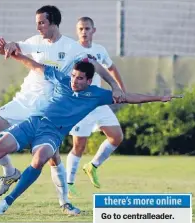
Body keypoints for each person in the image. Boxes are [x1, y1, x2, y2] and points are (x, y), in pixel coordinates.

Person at [0, 41, 180, 215]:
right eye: (73, 76)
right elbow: (35, 65)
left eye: (80, 78)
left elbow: (131, 97)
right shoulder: (61, 79)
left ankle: (6, 203)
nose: (74, 80)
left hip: (52, 133)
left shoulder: (96, 95)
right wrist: (16, 54)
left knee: (40, 159)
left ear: (88, 81)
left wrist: (159, 98)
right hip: (33, 122)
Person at [0, 5, 124, 215]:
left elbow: (100, 66)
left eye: (41, 23)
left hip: (52, 108)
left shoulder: (73, 48)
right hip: (26, 102)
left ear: (53, 22)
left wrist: (116, 87)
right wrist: (9, 45)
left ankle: (65, 202)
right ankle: (10, 171)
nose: (38, 27)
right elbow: (18, 46)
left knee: (53, 157)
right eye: (36, 23)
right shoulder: (35, 41)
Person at [66, 17, 126, 196]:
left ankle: (92, 166)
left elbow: (111, 67)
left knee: (116, 137)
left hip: (98, 102)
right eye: (81, 29)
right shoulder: (72, 50)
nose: (84, 31)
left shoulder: (99, 50)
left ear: (94, 30)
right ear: (77, 31)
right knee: (79, 145)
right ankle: (69, 183)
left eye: (87, 28)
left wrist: (121, 89)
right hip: (81, 104)